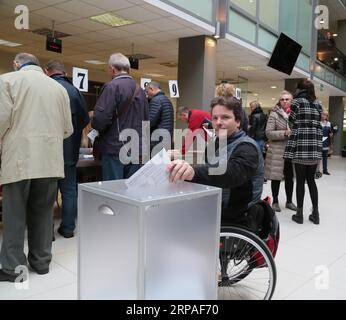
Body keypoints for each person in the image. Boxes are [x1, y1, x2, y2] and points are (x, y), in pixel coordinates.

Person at [0, 53, 73, 282]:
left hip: (20, 158)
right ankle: (41, 263)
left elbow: (1, 120)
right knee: (43, 213)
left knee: (14, 215)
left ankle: (13, 269)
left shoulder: (7, 80)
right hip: (50, 161)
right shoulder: (59, 88)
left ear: (16, 63)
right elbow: (67, 129)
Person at [168, 96, 264, 229]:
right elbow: (208, 171)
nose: (218, 122)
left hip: (236, 213)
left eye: (225, 117)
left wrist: (193, 172)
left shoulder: (247, 147)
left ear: (238, 121)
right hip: (215, 203)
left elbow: (231, 173)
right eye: (215, 118)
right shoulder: (216, 143)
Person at [45, 60, 90, 238]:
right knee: (69, 191)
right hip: (69, 151)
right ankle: (68, 228)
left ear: (47, 71)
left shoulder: (45, 88)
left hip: (48, 152)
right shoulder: (75, 92)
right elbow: (85, 120)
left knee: (48, 194)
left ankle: (47, 233)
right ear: (64, 72)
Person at [91, 53, 149, 181]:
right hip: (136, 150)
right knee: (131, 194)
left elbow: (100, 119)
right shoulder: (141, 91)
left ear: (112, 69)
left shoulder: (112, 87)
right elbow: (146, 122)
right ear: (129, 69)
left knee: (114, 192)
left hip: (115, 148)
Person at [283, 79, 323, 225]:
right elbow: (318, 121)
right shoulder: (318, 104)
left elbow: (291, 122)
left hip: (300, 145)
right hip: (314, 147)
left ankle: (299, 215)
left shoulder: (297, 102)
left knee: (300, 180)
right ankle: (316, 214)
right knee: (311, 180)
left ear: (299, 89)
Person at [265, 91, 296, 213]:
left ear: (291, 101)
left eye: (287, 99)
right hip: (277, 150)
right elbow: (268, 133)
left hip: (291, 150)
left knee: (290, 177)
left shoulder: (295, 114)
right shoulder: (274, 115)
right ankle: (275, 202)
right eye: (282, 99)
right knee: (276, 177)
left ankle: (289, 201)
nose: (285, 101)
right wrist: (284, 133)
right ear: (280, 101)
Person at [145, 81, 174, 153]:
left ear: (151, 89)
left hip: (157, 139)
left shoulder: (156, 100)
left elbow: (150, 121)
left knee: (154, 162)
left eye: (147, 91)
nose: (147, 94)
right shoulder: (166, 100)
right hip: (166, 138)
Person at [320, 110, 332, 175]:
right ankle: (317, 171)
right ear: (321, 115)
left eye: (326, 115)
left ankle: (325, 170)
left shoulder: (329, 123)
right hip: (319, 142)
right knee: (318, 158)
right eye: (323, 114)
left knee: (325, 158)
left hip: (326, 142)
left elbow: (330, 133)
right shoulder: (318, 123)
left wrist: (331, 134)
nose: (325, 116)